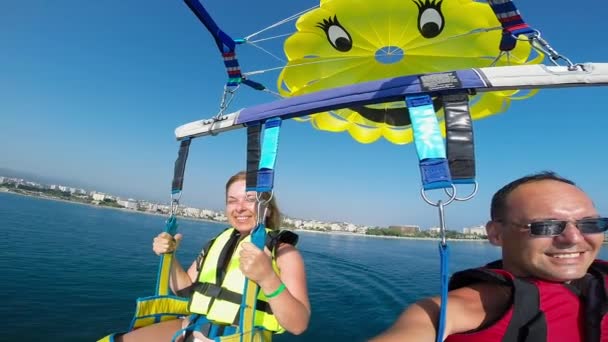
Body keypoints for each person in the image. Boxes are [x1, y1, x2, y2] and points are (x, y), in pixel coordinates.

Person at [370, 171, 608, 342]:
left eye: (590, 224)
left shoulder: (601, 276)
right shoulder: (459, 310)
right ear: (496, 234)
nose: (574, 238)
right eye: (546, 226)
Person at [118, 171, 310, 341]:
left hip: (240, 337)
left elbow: (298, 325)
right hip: (192, 328)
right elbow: (184, 289)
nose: (239, 207)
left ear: (266, 208)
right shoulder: (217, 242)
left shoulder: (284, 253)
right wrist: (170, 256)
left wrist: (268, 278)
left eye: (250, 199)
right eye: (232, 200)